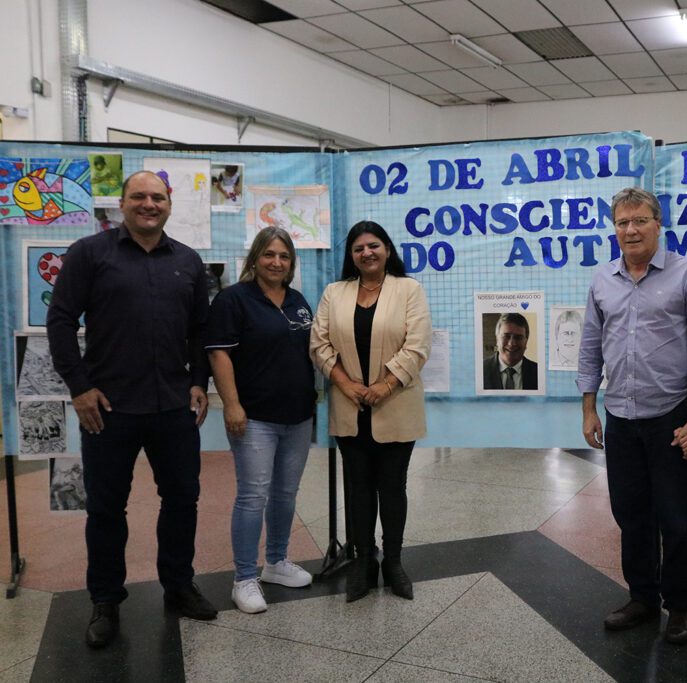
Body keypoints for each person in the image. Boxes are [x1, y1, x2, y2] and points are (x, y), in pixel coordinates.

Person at [46, 171, 216, 649]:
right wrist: (79, 388)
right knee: (105, 509)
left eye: (157, 197)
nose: (148, 204)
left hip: (173, 408)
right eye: (139, 196)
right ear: (121, 204)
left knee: (182, 501)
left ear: (169, 204)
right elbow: (59, 320)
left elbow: (200, 332)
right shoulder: (89, 254)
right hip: (108, 408)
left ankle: (179, 586)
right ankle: (105, 601)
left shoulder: (187, 260)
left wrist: (199, 382)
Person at [577, 187, 687, 644]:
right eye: (622, 222)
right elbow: (590, 347)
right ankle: (642, 596)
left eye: (639, 220)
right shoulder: (602, 279)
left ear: (659, 224)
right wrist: (589, 408)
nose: (630, 230)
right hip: (619, 415)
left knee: (675, 517)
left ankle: (680, 606)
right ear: (614, 228)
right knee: (630, 513)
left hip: (672, 415)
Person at [310, 221, 431, 602]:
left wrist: (385, 385)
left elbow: (418, 344)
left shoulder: (408, 289)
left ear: (388, 249)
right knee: (358, 490)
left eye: (374, 245)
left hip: (395, 404)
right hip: (350, 408)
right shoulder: (335, 292)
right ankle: (364, 562)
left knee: (393, 488)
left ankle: (393, 561)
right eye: (359, 248)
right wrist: (347, 385)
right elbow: (319, 344)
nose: (367, 253)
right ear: (351, 256)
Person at [206, 227, 317, 614]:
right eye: (269, 254)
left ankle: (276, 562)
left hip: (299, 416)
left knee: (286, 495)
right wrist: (232, 405)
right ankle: (244, 578)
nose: (276, 262)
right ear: (254, 258)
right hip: (255, 418)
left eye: (284, 256)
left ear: (291, 263)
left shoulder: (299, 301)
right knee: (253, 496)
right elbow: (219, 354)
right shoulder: (233, 299)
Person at [482, 312, 538, 390]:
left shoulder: (538, 372)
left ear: (526, 342)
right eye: (506, 336)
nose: (511, 343)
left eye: (518, 337)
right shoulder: (481, 371)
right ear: (497, 339)